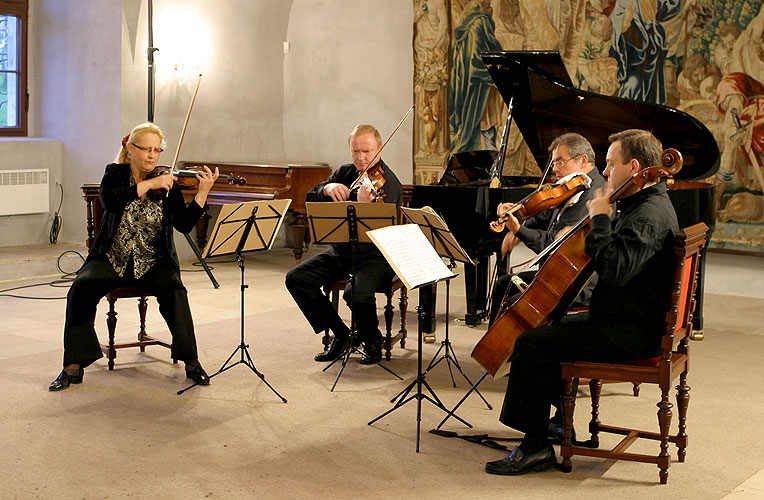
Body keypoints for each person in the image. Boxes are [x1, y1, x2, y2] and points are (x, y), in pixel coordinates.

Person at [484, 129, 679, 476]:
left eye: (610, 164)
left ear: (634, 167)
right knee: (547, 328)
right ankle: (558, 425)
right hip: (624, 320)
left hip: (627, 332)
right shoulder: (644, 205)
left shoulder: (648, 216)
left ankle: (535, 447)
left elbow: (614, 270)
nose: (604, 173)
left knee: (530, 343)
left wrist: (602, 218)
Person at [49, 122, 219, 391]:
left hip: (154, 260)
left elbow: (184, 225)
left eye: (157, 150)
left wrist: (202, 193)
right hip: (112, 258)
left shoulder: (167, 183)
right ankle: (73, 365)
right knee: (81, 286)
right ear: (130, 149)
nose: (152, 156)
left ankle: (191, 361)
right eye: (147, 149)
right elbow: (110, 202)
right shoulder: (114, 174)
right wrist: (149, 184)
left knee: (175, 289)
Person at [285, 124, 403, 365]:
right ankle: (342, 334)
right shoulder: (345, 172)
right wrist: (327, 189)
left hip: (375, 256)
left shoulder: (389, 183)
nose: (360, 157)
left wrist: (363, 206)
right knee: (296, 278)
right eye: (355, 151)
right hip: (342, 251)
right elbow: (310, 196)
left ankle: (371, 339)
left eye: (367, 151)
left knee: (356, 292)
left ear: (379, 149)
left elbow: (384, 232)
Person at [488, 132, 606, 325]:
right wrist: (517, 212)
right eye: (553, 163)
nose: (554, 169)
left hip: (574, 282)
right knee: (504, 284)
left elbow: (557, 245)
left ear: (583, 160)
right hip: (555, 274)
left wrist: (520, 231)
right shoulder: (574, 186)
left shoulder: (593, 195)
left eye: (560, 161)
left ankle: (512, 350)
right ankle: (492, 348)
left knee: (512, 304)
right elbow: (545, 214)